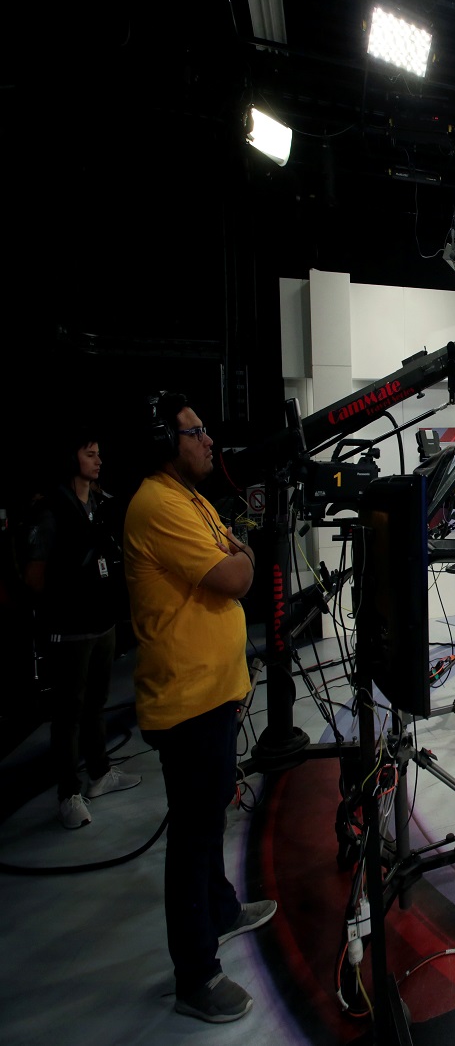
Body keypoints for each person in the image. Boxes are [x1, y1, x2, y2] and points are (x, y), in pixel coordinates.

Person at [124, 393, 275, 1023]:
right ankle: (196, 975)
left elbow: (238, 553)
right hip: (186, 704)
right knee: (191, 838)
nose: (209, 441)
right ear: (167, 442)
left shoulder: (192, 499)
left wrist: (239, 552)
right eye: (195, 432)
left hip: (213, 694)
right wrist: (241, 557)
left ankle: (220, 908)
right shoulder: (158, 504)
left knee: (211, 817)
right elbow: (237, 575)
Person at [24, 435, 140, 829]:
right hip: (68, 633)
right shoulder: (51, 510)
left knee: (96, 704)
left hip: (101, 625)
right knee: (67, 714)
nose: (98, 461)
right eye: (90, 455)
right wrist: (67, 599)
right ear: (70, 458)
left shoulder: (100, 504)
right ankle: (68, 794)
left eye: (98, 454)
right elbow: (35, 577)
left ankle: (100, 774)